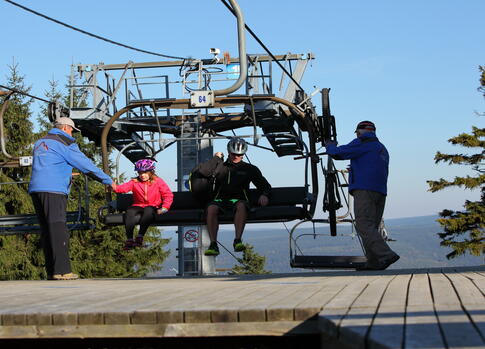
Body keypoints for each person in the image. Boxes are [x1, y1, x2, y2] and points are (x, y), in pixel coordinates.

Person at [29, 117, 114, 280]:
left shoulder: (40, 142)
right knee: (58, 228)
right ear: (67, 128)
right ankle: (63, 270)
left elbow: (50, 164)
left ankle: (52, 271)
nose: (72, 133)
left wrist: (66, 173)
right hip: (53, 190)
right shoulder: (65, 142)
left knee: (47, 230)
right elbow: (86, 165)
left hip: (36, 188)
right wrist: (107, 180)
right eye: (72, 130)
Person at [325, 120, 400, 270]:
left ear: (359, 132)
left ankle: (386, 255)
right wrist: (356, 167)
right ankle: (374, 262)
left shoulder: (362, 142)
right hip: (380, 191)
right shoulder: (381, 148)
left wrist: (330, 145)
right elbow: (372, 165)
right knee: (371, 227)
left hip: (365, 190)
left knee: (364, 225)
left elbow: (337, 153)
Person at [202, 137, 271, 256]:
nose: (236, 156)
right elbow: (204, 171)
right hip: (220, 200)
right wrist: (216, 158)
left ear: (243, 154)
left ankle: (237, 240)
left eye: (239, 154)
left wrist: (265, 195)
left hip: (239, 199)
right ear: (228, 152)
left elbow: (265, 185)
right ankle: (213, 244)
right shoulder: (219, 166)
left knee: (241, 206)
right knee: (211, 208)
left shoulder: (250, 169)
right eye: (233, 154)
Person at [111, 158, 173, 250]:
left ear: (150, 172)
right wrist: (114, 186)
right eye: (140, 173)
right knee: (130, 211)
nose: (142, 175)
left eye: (145, 173)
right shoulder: (135, 182)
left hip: (153, 206)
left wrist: (165, 207)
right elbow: (123, 188)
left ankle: (140, 236)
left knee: (148, 210)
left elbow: (167, 194)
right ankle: (130, 239)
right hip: (138, 205)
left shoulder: (157, 181)